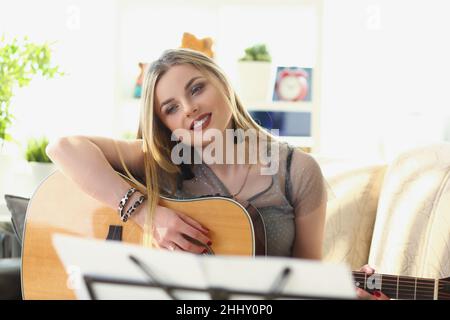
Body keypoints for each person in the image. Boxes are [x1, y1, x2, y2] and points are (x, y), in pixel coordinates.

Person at [46, 48, 386, 299]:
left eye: (196, 89)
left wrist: (339, 293)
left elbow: (306, 278)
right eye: (171, 108)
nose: (189, 107)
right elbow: (63, 147)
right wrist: (147, 216)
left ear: (222, 83)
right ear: (167, 127)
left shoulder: (297, 172)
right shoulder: (160, 161)